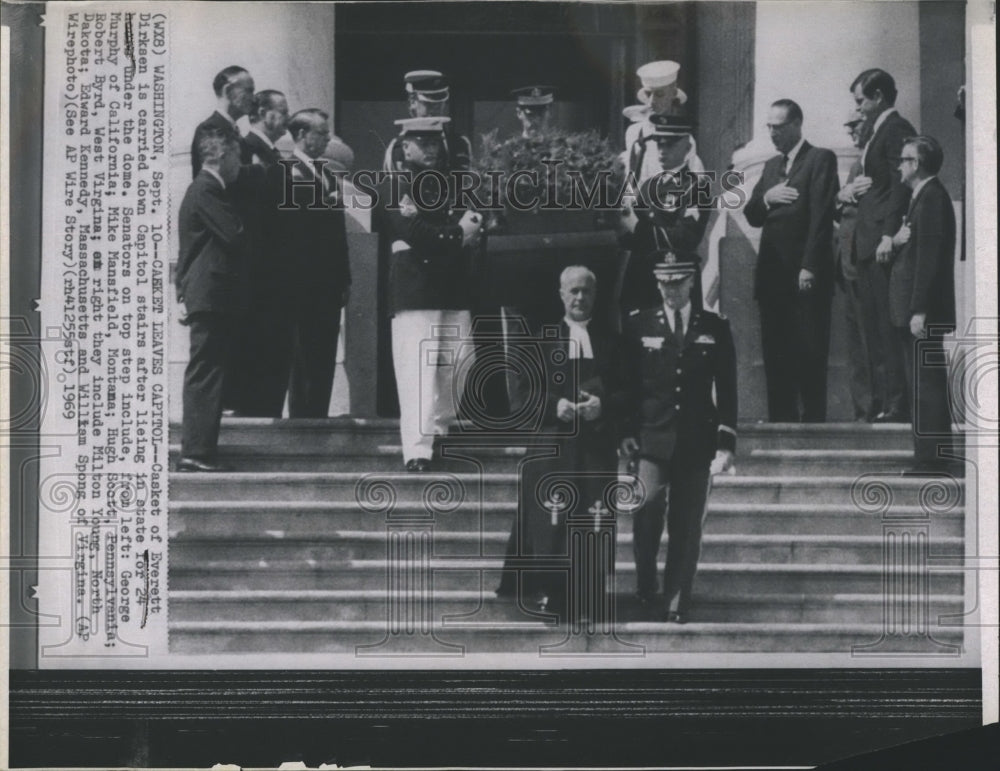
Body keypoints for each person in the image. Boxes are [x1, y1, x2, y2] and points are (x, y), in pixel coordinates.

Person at [618, 251, 737, 622]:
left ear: (691, 283)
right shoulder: (639, 325)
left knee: (687, 525)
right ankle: (645, 585)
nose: (671, 290)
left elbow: (728, 388)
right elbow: (628, 385)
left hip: (696, 441)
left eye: (678, 282)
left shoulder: (714, 326)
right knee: (647, 506)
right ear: (658, 284)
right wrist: (625, 431)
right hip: (652, 439)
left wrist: (726, 442)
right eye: (665, 283)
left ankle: (676, 601)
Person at [496, 266, 621, 615]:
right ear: (561, 295)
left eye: (586, 291)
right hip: (552, 447)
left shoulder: (612, 341)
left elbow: (630, 392)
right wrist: (555, 406)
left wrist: (604, 405)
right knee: (552, 520)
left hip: (595, 447)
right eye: (573, 292)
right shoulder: (541, 339)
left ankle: (589, 595)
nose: (579, 298)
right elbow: (520, 397)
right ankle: (551, 594)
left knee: (592, 519)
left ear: (595, 295)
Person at [377, 116, 482, 471]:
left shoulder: (452, 182)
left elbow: (474, 218)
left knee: (461, 360)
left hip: (451, 285)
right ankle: (418, 449)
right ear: (405, 147)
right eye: (423, 143)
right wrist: (458, 235)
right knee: (417, 369)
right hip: (416, 284)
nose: (431, 150)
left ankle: (440, 425)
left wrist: (462, 230)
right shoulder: (397, 183)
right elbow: (414, 229)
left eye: (435, 142)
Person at [744, 99, 839, 423]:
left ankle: (813, 425)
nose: (773, 133)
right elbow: (752, 213)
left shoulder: (819, 159)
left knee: (810, 353)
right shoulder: (772, 166)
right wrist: (767, 197)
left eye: (779, 126)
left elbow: (822, 215)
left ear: (797, 124)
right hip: (773, 278)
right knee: (776, 354)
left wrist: (810, 265)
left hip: (804, 277)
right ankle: (780, 424)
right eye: (769, 126)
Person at [175, 130, 248, 471]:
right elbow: (233, 234)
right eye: (236, 156)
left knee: (209, 368)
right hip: (210, 294)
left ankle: (200, 449)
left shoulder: (203, 189)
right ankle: (196, 451)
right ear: (220, 156)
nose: (240, 165)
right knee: (206, 371)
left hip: (207, 293)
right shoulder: (206, 189)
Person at [271, 108, 351, 418]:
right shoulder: (284, 172)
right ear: (302, 135)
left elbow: (338, 233)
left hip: (328, 285)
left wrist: (344, 279)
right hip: (299, 284)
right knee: (302, 358)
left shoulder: (328, 175)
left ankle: (318, 415)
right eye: (321, 133)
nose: (327, 138)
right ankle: (302, 421)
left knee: (324, 355)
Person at [848, 68, 916, 423]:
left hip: (880, 243)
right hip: (867, 242)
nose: (858, 108)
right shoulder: (879, 132)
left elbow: (900, 185)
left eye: (861, 100)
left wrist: (889, 234)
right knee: (874, 328)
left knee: (888, 327)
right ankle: (887, 401)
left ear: (878, 96)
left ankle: (897, 403)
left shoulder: (897, 129)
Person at [888, 136, 958, 474]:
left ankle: (931, 460)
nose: (899, 166)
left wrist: (919, 309)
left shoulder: (931, 197)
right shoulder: (925, 197)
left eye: (904, 160)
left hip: (921, 313)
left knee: (925, 385)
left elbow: (928, 259)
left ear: (916, 164)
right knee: (924, 383)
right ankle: (931, 456)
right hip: (917, 310)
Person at [231, 89, 292, 417]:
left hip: (275, 271)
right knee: (258, 344)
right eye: (282, 110)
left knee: (274, 346)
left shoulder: (273, 156)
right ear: (264, 114)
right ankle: (252, 410)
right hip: (258, 269)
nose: (286, 116)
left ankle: (266, 408)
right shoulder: (246, 148)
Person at [619, 113, 710, 318]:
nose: (662, 151)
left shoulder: (695, 186)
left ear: (687, 147)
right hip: (643, 281)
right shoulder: (649, 186)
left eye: (669, 145)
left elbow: (684, 238)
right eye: (659, 145)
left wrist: (634, 225)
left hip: (675, 283)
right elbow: (630, 240)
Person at [835, 108, 879, 422]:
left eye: (857, 125)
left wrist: (846, 195)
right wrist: (843, 194)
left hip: (864, 263)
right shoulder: (856, 164)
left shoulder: (873, 163)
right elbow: (839, 203)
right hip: (847, 263)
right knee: (856, 345)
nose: (851, 131)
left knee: (870, 340)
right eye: (848, 126)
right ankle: (863, 408)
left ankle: (875, 407)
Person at [382, 70, 472, 173]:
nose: (435, 109)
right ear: (412, 102)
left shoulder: (460, 144)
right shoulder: (397, 146)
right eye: (428, 103)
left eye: (440, 103)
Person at [190, 65, 255, 178]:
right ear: (228, 91)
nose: (253, 99)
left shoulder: (233, 131)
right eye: (249, 91)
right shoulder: (210, 129)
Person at [244, 89, 289, 166]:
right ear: (263, 113)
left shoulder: (267, 149)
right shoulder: (249, 149)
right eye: (283, 112)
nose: (289, 117)